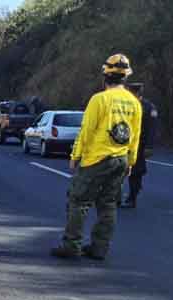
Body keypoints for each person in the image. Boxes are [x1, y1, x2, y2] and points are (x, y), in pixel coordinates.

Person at [51, 54, 142, 260]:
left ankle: (71, 245)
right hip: (120, 159)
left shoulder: (99, 99)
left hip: (96, 159)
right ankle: (99, 248)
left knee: (78, 201)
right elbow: (135, 136)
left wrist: (76, 155)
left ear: (105, 75)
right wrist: (131, 161)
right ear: (125, 77)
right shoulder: (134, 103)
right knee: (108, 204)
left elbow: (87, 131)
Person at [121, 83, 158, 209]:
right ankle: (117, 198)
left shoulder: (148, 107)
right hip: (123, 143)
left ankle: (132, 198)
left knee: (136, 172)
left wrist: (149, 146)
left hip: (139, 145)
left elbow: (152, 129)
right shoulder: (125, 105)